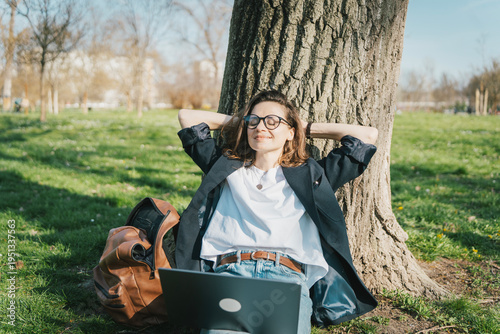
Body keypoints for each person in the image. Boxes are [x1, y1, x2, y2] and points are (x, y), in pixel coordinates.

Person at [176, 90, 379, 333]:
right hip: (229, 275)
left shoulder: (312, 176)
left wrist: (303, 126)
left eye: (272, 121)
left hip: (286, 280)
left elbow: (367, 136)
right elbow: (186, 117)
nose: (261, 127)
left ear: (291, 132)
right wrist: (246, 122)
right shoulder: (224, 166)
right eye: (254, 120)